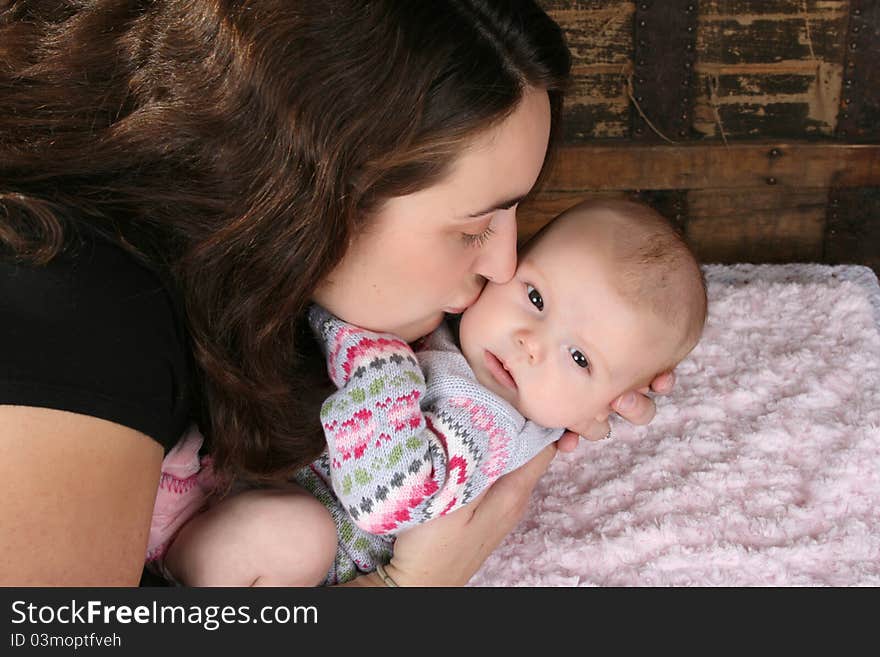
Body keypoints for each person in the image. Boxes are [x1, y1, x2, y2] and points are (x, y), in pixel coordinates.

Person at [0, 0, 673, 586]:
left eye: (519, 213)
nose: (505, 266)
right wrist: (403, 589)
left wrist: (581, 366)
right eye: (474, 228)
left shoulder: (260, 283)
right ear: (311, 198)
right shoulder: (76, 315)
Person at [152, 199, 706, 586]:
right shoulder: (462, 329)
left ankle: (171, 568)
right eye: (536, 298)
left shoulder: (488, 422)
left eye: (580, 359)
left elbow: (388, 494)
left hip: (293, 543)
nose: (530, 343)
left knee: (297, 536)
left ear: (608, 405)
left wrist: (377, 354)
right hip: (239, 474)